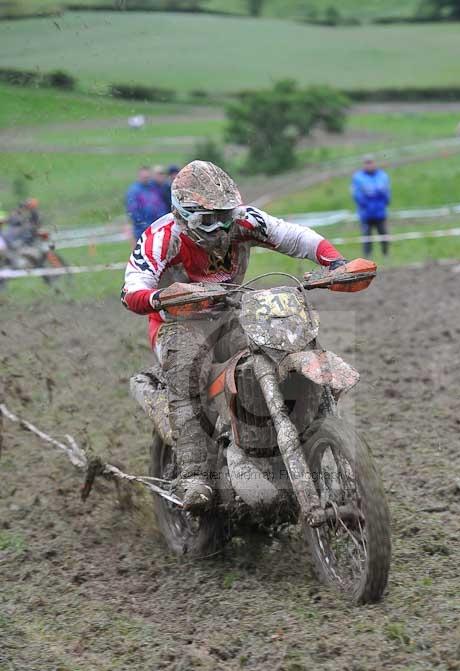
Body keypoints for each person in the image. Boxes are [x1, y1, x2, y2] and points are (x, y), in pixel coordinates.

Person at [121, 160, 347, 512]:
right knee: (189, 375)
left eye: (226, 214)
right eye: (210, 218)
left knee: (283, 346)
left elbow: (293, 236)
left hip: (233, 311)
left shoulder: (245, 220)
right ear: (184, 213)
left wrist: (335, 262)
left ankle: (310, 435)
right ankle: (196, 476)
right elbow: (133, 285)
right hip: (178, 324)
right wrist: (157, 296)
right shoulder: (163, 236)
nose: (223, 225)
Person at [351, 156, 391, 258]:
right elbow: (357, 194)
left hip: (380, 212)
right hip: (366, 213)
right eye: (366, 163)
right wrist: (365, 205)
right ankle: (367, 257)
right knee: (366, 237)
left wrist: (383, 204)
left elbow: (387, 192)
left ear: (374, 163)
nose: (369, 165)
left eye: (370, 162)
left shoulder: (382, 176)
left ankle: (385, 254)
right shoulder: (358, 177)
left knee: (384, 234)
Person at [125, 166, 168, 241]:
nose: (146, 178)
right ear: (139, 176)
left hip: (157, 227)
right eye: (144, 177)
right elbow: (133, 211)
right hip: (141, 231)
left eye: (147, 177)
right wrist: (144, 224)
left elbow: (161, 206)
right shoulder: (134, 191)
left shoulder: (154, 188)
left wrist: (162, 220)